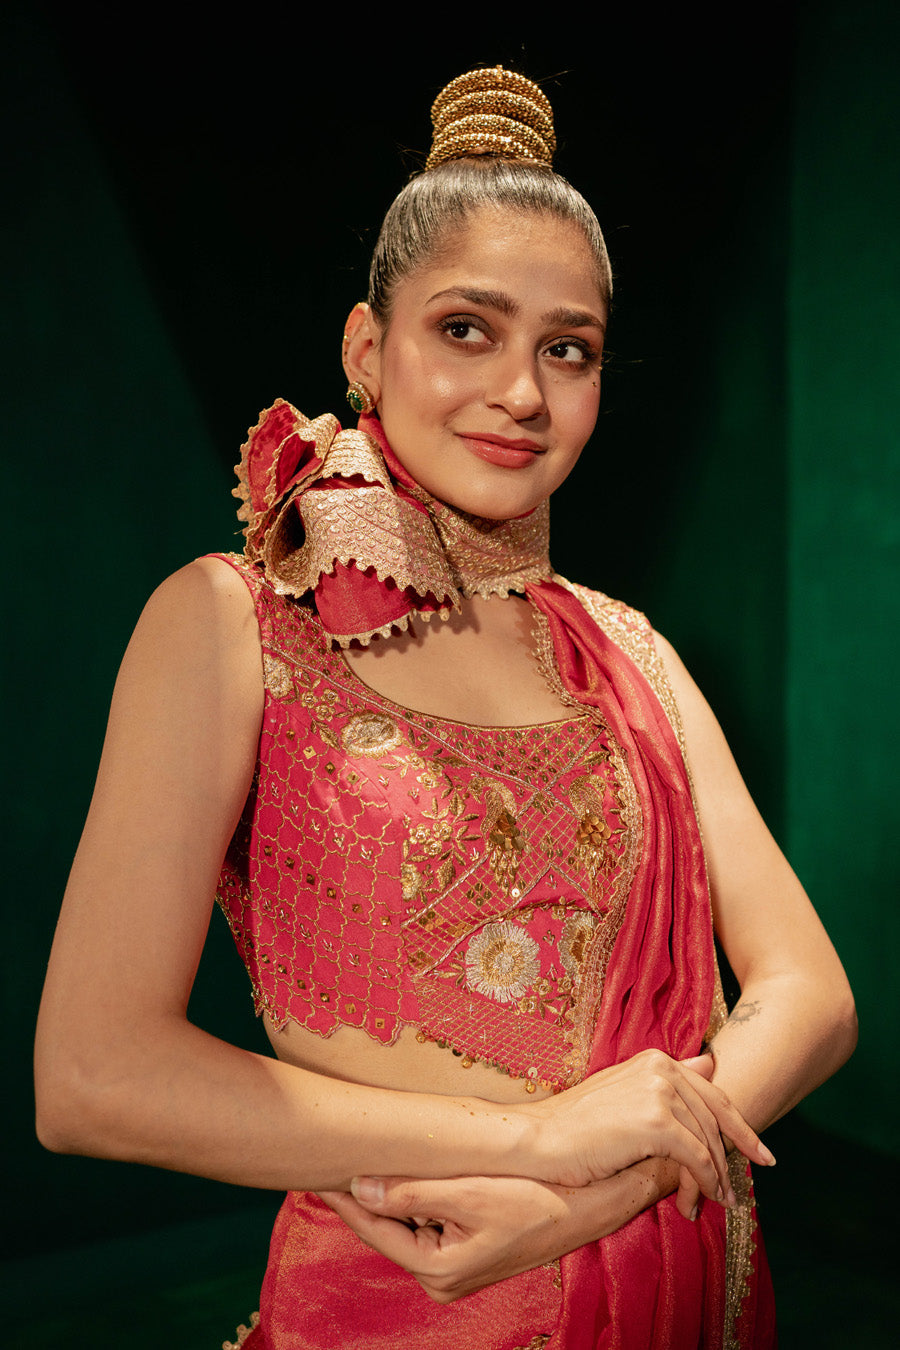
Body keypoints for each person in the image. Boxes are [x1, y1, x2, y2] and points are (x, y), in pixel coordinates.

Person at [34, 67, 856, 1349]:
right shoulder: (230, 624)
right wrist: (533, 1140)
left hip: (679, 1286)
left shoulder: (628, 648)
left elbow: (811, 989)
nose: (522, 393)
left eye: (566, 348)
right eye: (467, 328)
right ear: (370, 346)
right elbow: (91, 1078)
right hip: (404, 1311)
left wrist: (602, 1187)